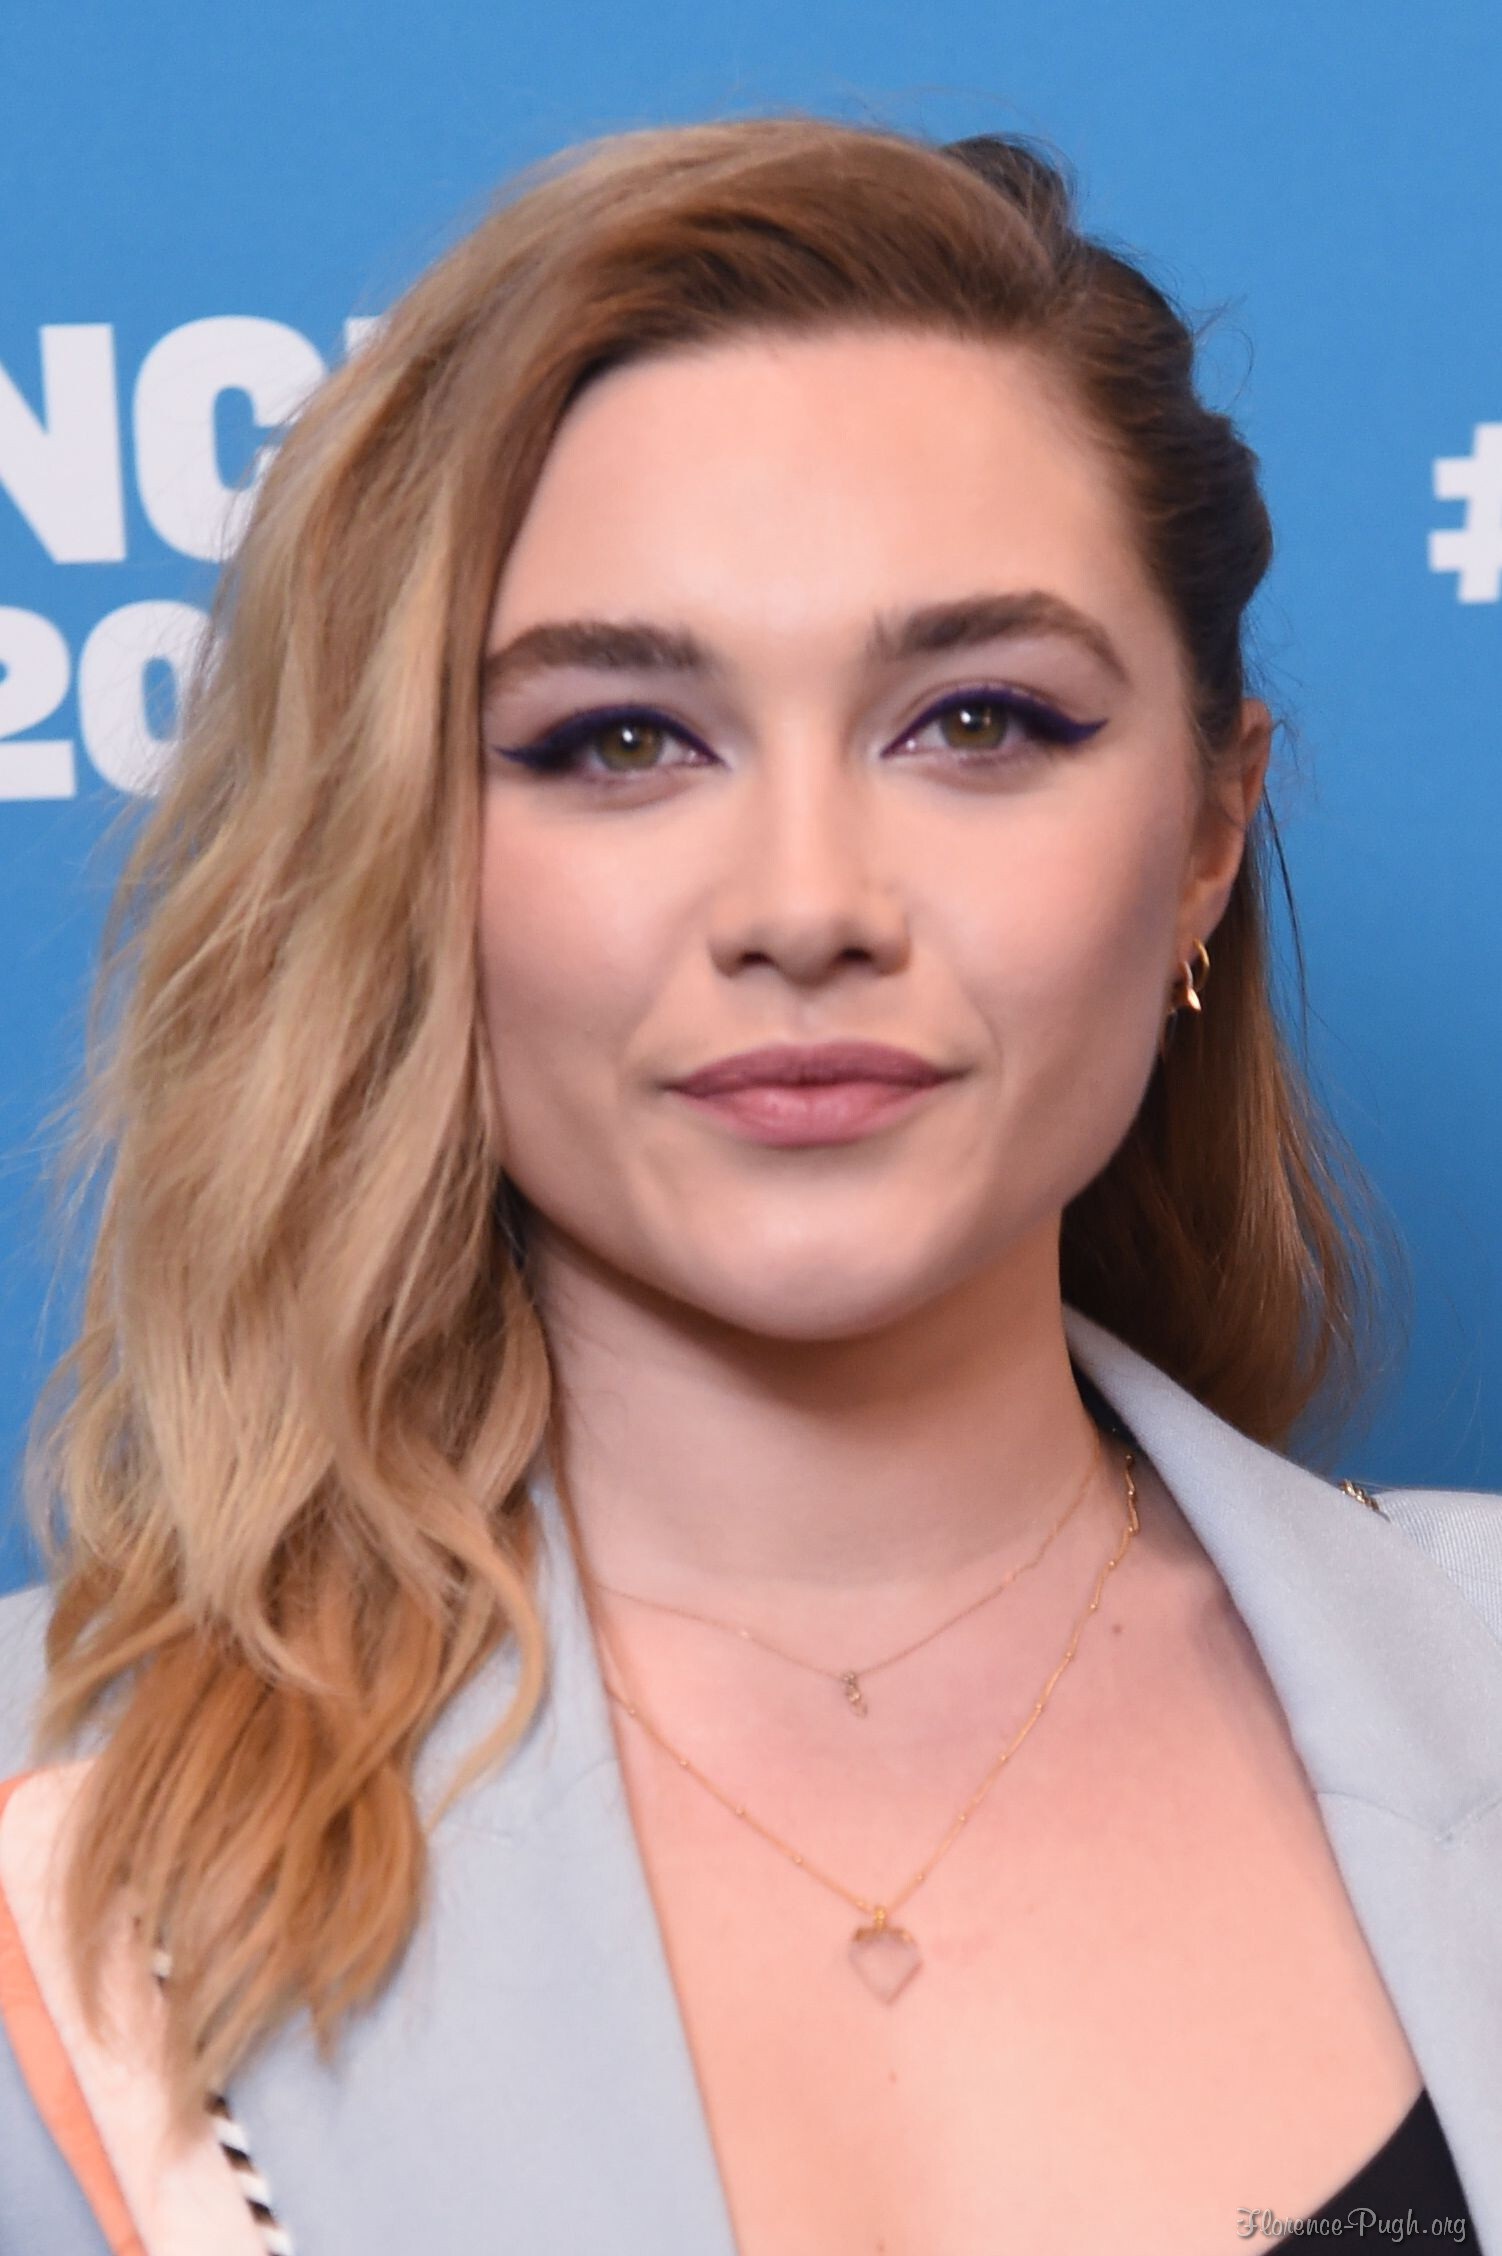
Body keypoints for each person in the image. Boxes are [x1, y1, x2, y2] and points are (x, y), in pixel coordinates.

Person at [0, 112, 1496, 2256]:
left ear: (1200, 833)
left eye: (977, 723)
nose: (805, 904)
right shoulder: (43, 1828)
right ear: (407, 855)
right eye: (619, 740)